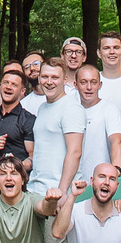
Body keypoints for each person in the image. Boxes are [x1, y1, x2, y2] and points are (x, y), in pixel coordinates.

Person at [27, 62, 87, 203]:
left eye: (55, 77)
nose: (49, 82)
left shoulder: (71, 108)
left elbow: (75, 152)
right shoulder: (42, 107)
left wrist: (62, 191)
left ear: (65, 80)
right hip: (36, 189)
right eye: (45, 77)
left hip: (57, 192)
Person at [73, 65, 121, 178]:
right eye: (83, 82)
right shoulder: (70, 110)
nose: (89, 87)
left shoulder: (109, 109)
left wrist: (116, 169)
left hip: (101, 182)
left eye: (93, 82)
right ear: (75, 85)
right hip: (74, 181)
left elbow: (117, 141)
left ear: (100, 85)